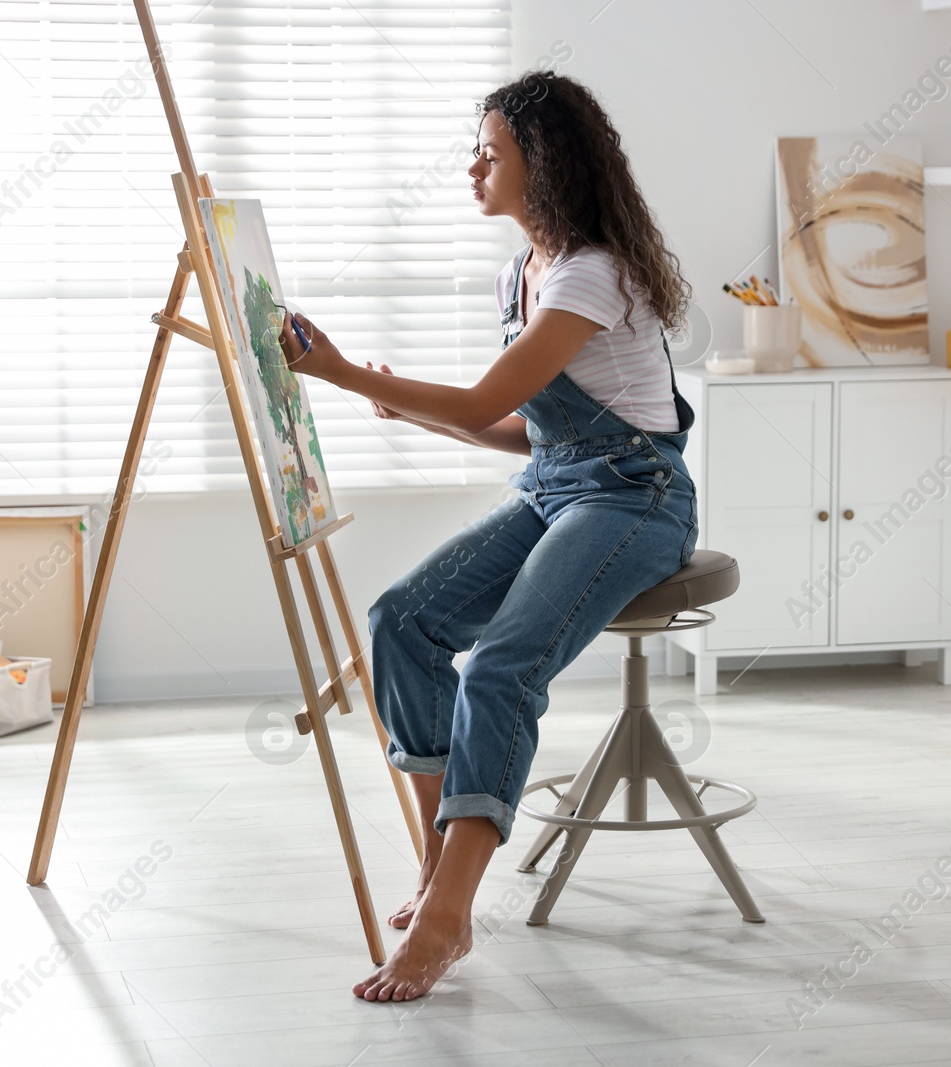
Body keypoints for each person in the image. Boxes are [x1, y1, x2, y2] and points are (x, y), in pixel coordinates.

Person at [277, 70, 697, 1002]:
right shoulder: (524, 271)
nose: (472, 167)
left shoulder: (591, 272)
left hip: (636, 498)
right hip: (557, 486)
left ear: (539, 165)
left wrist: (344, 374)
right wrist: (395, 401)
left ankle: (449, 914)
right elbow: (520, 430)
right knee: (402, 619)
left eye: (490, 151)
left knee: (501, 664)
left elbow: (484, 401)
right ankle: (438, 858)